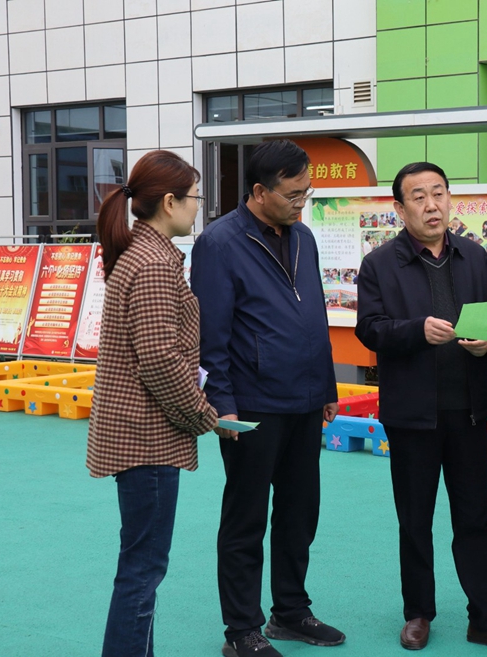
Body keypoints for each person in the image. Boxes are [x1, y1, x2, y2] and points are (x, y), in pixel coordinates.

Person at [355, 162, 487, 655]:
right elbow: (369, 328)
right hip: (412, 415)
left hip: (468, 410)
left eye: (439, 193)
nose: (432, 205)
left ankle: (486, 618)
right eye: (419, 197)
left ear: (450, 199)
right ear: (399, 208)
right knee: (415, 520)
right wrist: (416, 330)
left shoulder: (473, 255)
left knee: (475, 517)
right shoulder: (379, 264)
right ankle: (418, 613)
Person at [190, 140, 342, 657]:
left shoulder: (304, 238)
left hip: (305, 400)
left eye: (306, 193)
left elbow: (315, 314)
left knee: (300, 512)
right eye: (293, 194)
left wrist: (326, 386)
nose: (302, 203)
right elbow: (210, 335)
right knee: (247, 517)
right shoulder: (219, 243)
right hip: (251, 406)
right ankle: (241, 631)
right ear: (259, 191)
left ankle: (291, 612)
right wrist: (222, 404)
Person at [86, 150, 219, 657]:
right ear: (169, 202)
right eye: (195, 197)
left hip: (137, 434)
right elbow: (161, 360)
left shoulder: (140, 254)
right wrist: (204, 416)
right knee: (143, 569)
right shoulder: (155, 264)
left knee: (139, 565)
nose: (198, 207)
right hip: (148, 438)